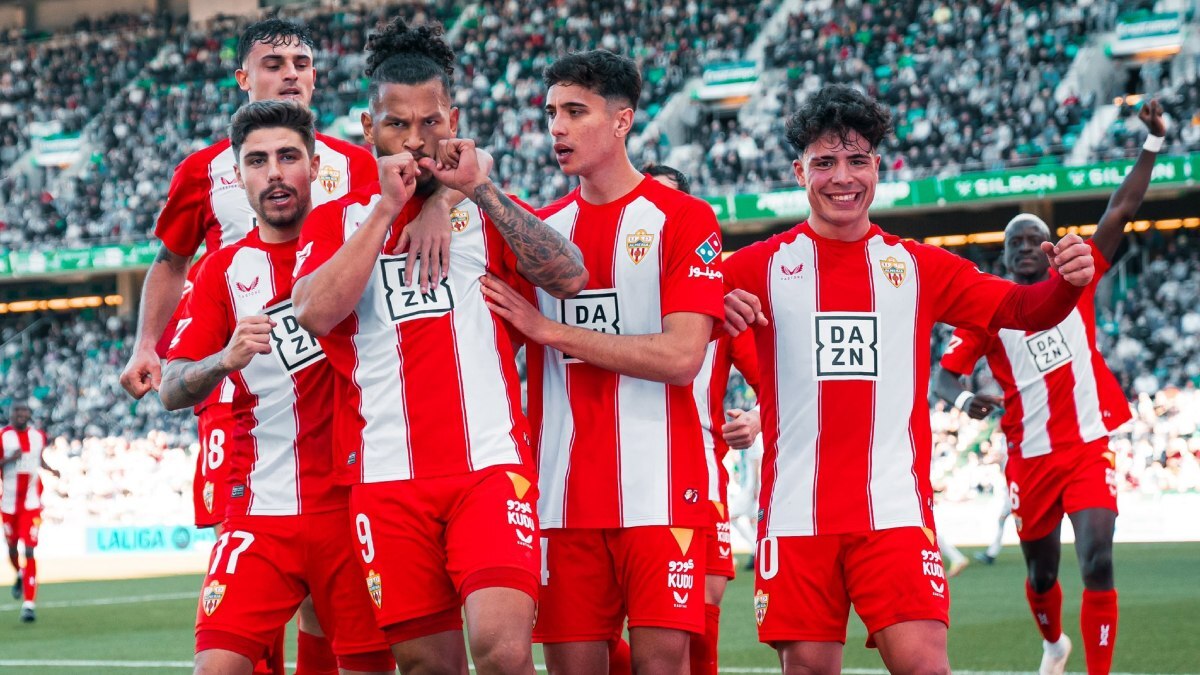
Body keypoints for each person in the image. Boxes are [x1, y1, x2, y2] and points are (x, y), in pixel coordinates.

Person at [718, 84, 1099, 674]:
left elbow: (1026, 311)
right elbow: (677, 328)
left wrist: (1068, 282)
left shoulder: (917, 266)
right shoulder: (754, 268)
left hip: (893, 514)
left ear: (879, 168)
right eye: (824, 162)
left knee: (925, 666)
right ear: (800, 172)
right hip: (795, 516)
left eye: (857, 160)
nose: (842, 177)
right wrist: (719, 321)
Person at [291, 17, 586, 675]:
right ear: (369, 130)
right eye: (398, 124)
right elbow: (311, 311)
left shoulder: (483, 208)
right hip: (388, 480)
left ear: (453, 119)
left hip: (488, 467)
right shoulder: (337, 221)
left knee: (504, 650)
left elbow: (568, 274)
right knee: (429, 665)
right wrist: (385, 211)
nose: (417, 140)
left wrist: (474, 187)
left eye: (431, 122)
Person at [479, 51, 726, 675]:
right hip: (560, 498)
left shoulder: (683, 217)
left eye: (575, 112)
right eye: (551, 113)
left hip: (661, 492)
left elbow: (680, 356)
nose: (556, 127)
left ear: (622, 121)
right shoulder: (539, 232)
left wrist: (550, 330)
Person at [160, 100, 396, 675]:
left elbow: (438, 166)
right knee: (215, 667)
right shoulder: (222, 271)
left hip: (353, 508)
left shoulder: (362, 245)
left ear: (315, 166)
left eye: (288, 157)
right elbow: (171, 387)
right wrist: (225, 358)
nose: (274, 173)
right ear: (239, 177)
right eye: (257, 161)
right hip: (262, 513)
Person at [934, 98, 1167, 675]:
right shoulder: (987, 310)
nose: (1021, 246)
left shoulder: (1079, 277)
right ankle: (1054, 644)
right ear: (1005, 256)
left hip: (1087, 447)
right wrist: (967, 400)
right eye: (1011, 241)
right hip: (1028, 458)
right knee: (1041, 574)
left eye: (1032, 237)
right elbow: (943, 378)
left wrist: (1154, 142)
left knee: (1096, 560)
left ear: (1049, 246)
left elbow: (1120, 210)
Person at [649, 163, 761, 675]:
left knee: (702, 611)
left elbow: (778, 387)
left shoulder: (719, 303)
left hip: (699, 477)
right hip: (615, 477)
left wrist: (755, 420)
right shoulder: (596, 290)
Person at [1, 401, 58, 623]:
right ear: (11, 414)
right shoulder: (3, 436)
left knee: (30, 551)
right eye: (17, 411)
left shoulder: (38, 436)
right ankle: (20, 573)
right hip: (7, 504)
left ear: (29, 414)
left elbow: (38, 458)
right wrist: (9, 459)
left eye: (24, 411)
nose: (21, 414)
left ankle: (29, 604)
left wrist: (50, 469)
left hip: (31, 505)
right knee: (12, 549)